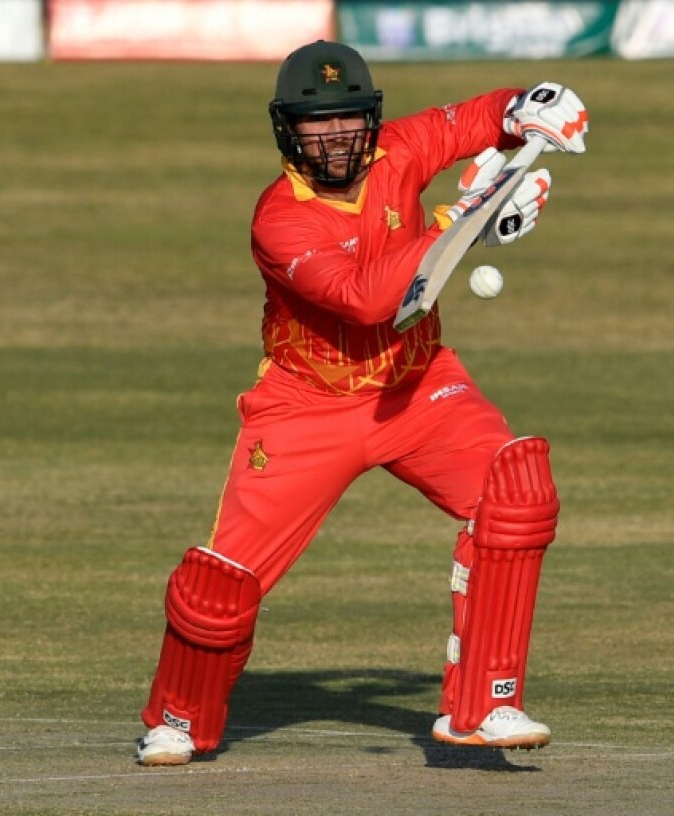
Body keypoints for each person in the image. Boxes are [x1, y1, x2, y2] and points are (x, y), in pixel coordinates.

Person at [136, 40, 588, 766]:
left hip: (417, 387)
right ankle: (178, 717)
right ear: (288, 130)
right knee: (220, 588)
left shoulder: (398, 150)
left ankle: (484, 706)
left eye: (348, 118)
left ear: (370, 119)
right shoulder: (279, 219)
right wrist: (466, 215)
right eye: (317, 123)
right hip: (306, 406)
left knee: (518, 493)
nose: (336, 135)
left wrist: (527, 108)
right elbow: (366, 298)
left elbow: (470, 121)